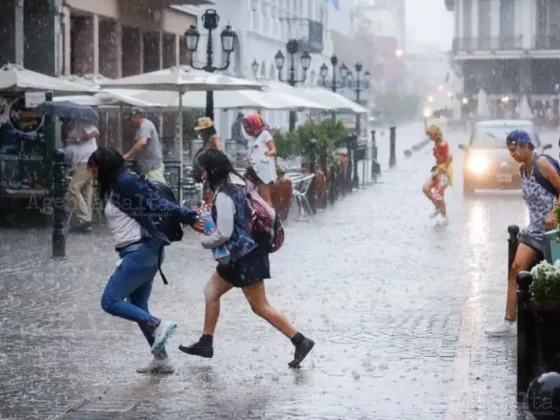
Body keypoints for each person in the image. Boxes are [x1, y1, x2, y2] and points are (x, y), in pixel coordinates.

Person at [178, 149, 314, 368]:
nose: (201, 174)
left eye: (203, 170)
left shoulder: (224, 195)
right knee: (211, 292)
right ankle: (206, 342)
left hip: (244, 258)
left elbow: (224, 232)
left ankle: (300, 340)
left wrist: (205, 242)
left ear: (212, 170)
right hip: (244, 255)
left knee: (260, 306)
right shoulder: (238, 185)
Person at [87, 147, 204, 373]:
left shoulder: (126, 182)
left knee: (110, 301)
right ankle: (161, 359)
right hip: (142, 253)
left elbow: (158, 203)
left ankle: (158, 324)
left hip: (141, 252)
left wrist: (188, 217)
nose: (91, 171)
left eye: (93, 166)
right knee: (138, 305)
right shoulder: (115, 184)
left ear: (104, 166)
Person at [485, 130, 560, 336]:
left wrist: (554, 213)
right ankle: (509, 321)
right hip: (534, 230)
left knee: (555, 276)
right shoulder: (523, 171)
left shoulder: (541, 164)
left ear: (527, 146)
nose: (513, 154)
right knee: (516, 268)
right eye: (510, 151)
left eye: (515, 149)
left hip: (555, 231)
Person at [64, 119, 99, 232]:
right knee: (85, 192)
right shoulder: (72, 127)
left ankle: (84, 218)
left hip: (87, 162)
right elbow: (70, 142)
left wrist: (80, 139)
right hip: (82, 163)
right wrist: (73, 140)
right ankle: (86, 225)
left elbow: (96, 133)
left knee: (73, 189)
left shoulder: (83, 122)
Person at [243, 114, 277, 206]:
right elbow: (252, 151)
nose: (246, 130)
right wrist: (248, 158)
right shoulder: (251, 138)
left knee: (264, 196)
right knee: (246, 192)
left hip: (264, 170)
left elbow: (273, 149)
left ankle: (270, 217)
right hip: (252, 169)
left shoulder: (265, 134)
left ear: (255, 124)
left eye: (248, 127)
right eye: (245, 128)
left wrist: (268, 153)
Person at [124, 108, 165, 183]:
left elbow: (142, 142)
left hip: (152, 169)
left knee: (157, 190)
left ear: (136, 117)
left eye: (130, 119)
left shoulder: (145, 125)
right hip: (145, 168)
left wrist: (126, 156)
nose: (129, 122)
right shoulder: (140, 128)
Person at [422, 125, 453, 225]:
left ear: (435, 134)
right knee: (426, 188)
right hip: (438, 170)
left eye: (430, 135)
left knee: (439, 193)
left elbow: (449, 157)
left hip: (443, 171)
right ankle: (437, 207)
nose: (429, 137)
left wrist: (444, 168)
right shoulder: (436, 144)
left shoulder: (443, 144)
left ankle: (444, 215)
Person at [192, 117, 222, 203]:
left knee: (211, 199)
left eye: (202, 131)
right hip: (207, 177)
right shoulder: (206, 141)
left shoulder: (214, 138)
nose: (200, 133)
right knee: (206, 199)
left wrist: (208, 170)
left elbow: (219, 155)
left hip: (212, 176)